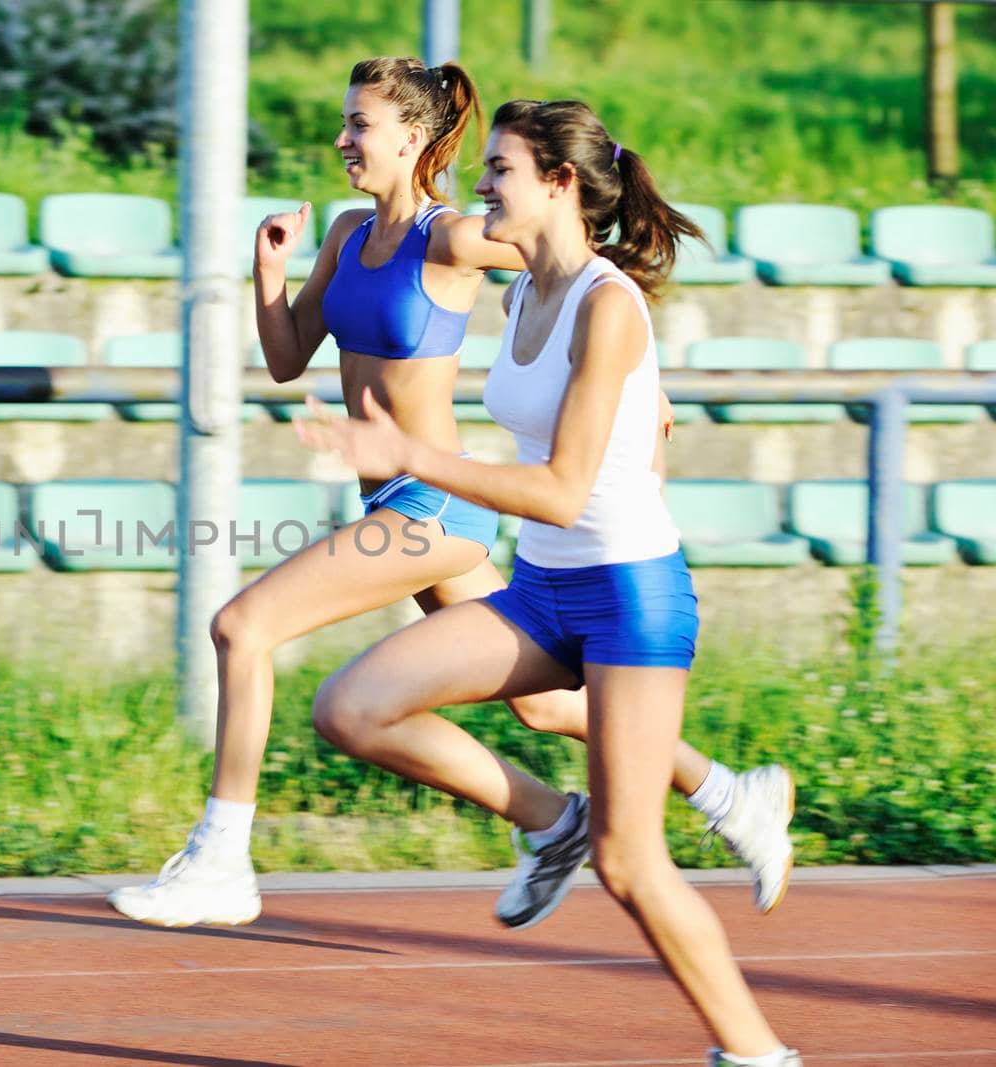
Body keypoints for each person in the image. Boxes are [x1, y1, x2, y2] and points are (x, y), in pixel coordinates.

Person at [108, 58, 792, 940]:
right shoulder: (349, 233)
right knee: (542, 704)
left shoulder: (455, 238)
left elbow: (570, 259)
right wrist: (265, 272)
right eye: (345, 123)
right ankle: (705, 797)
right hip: (389, 502)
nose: (342, 139)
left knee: (243, 627)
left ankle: (221, 859)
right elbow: (287, 356)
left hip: (430, 508)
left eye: (359, 124)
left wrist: (636, 378)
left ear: (414, 138)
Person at [293, 97, 801, 1066]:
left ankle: (755, 1052)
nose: (479, 184)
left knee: (630, 861)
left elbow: (563, 491)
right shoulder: (524, 289)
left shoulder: (607, 303)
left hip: (627, 597)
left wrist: (410, 451)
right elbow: (622, 421)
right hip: (543, 590)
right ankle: (552, 819)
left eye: (499, 170)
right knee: (352, 707)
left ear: (559, 184)